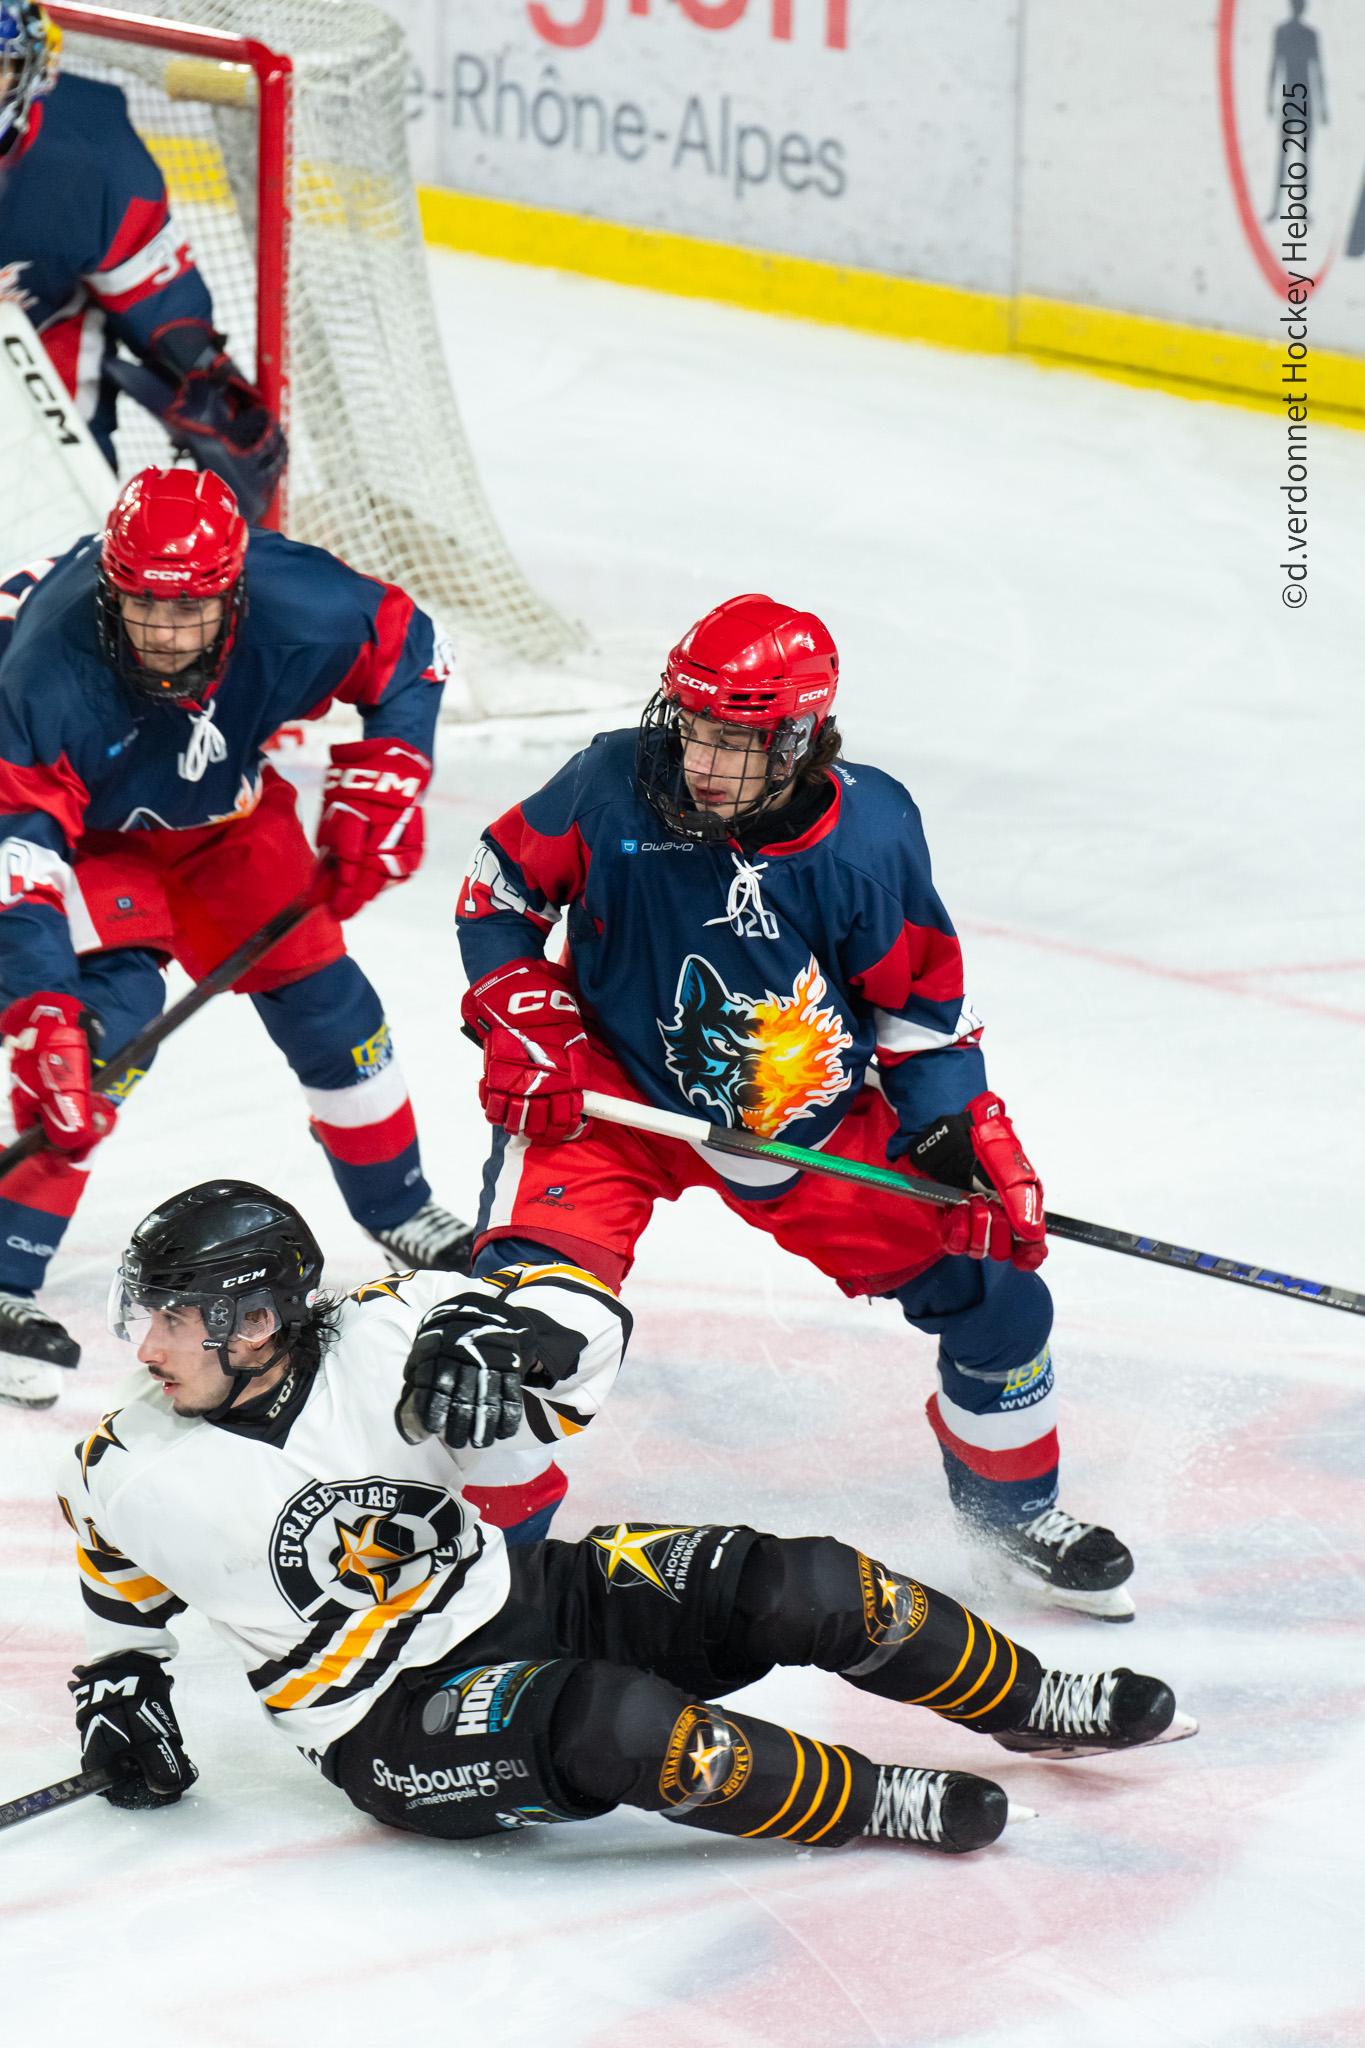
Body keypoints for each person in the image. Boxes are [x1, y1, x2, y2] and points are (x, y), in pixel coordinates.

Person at [61, 1178, 1192, 1857]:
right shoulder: (129, 1462)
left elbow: (582, 1315)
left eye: (173, 1317)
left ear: (257, 1318)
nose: (146, 1346)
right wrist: (122, 1686)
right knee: (615, 1720)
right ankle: (868, 1797)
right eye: (144, 1313)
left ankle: (1030, 1701)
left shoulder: (384, 1327)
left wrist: (517, 1341)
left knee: (805, 1580)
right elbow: (121, 1583)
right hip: (392, 1722)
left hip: (524, 1592)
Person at [456, 594, 1136, 1617]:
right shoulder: (610, 781)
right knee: (519, 1336)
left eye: (739, 740)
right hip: (608, 1103)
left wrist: (956, 1130)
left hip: (798, 1125)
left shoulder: (870, 833)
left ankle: (1011, 1518)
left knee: (999, 1298)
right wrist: (528, 1014)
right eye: (695, 727)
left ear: (803, 736)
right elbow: (499, 890)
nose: (704, 762)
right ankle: (480, 1590)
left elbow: (918, 1017)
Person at [0, 466, 471, 1409]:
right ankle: (6, 1273)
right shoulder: (43, 671)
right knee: (94, 1038)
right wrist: (39, 1010)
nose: (166, 638)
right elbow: (21, 858)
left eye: (191, 613)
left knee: (329, 1005)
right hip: (90, 840)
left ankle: (400, 1208)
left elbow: (413, 647)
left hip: (223, 822)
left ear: (234, 592)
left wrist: (387, 775)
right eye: (142, 610)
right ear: (110, 592)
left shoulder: (301, 600)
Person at [0, 1, 284, 518]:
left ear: (31, 69)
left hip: (41, 439)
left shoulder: (92, 163)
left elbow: (163, 308)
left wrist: (200, 375)